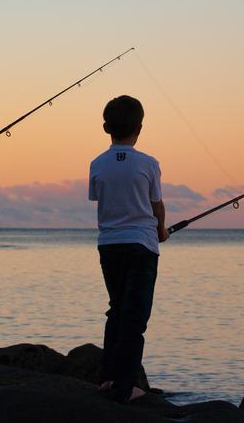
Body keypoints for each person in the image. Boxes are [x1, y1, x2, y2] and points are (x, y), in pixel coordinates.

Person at [88, 95, 168, 402]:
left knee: (117, 310)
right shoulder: (148, 163)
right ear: (140, 128)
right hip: (142, 246)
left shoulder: (97, 163)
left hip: (109, 246)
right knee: (135, 317)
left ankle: (108, 378)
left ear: (106, 127)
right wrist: (160, 229)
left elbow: (100, 198)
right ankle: (127, 386)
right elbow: (156, 204)